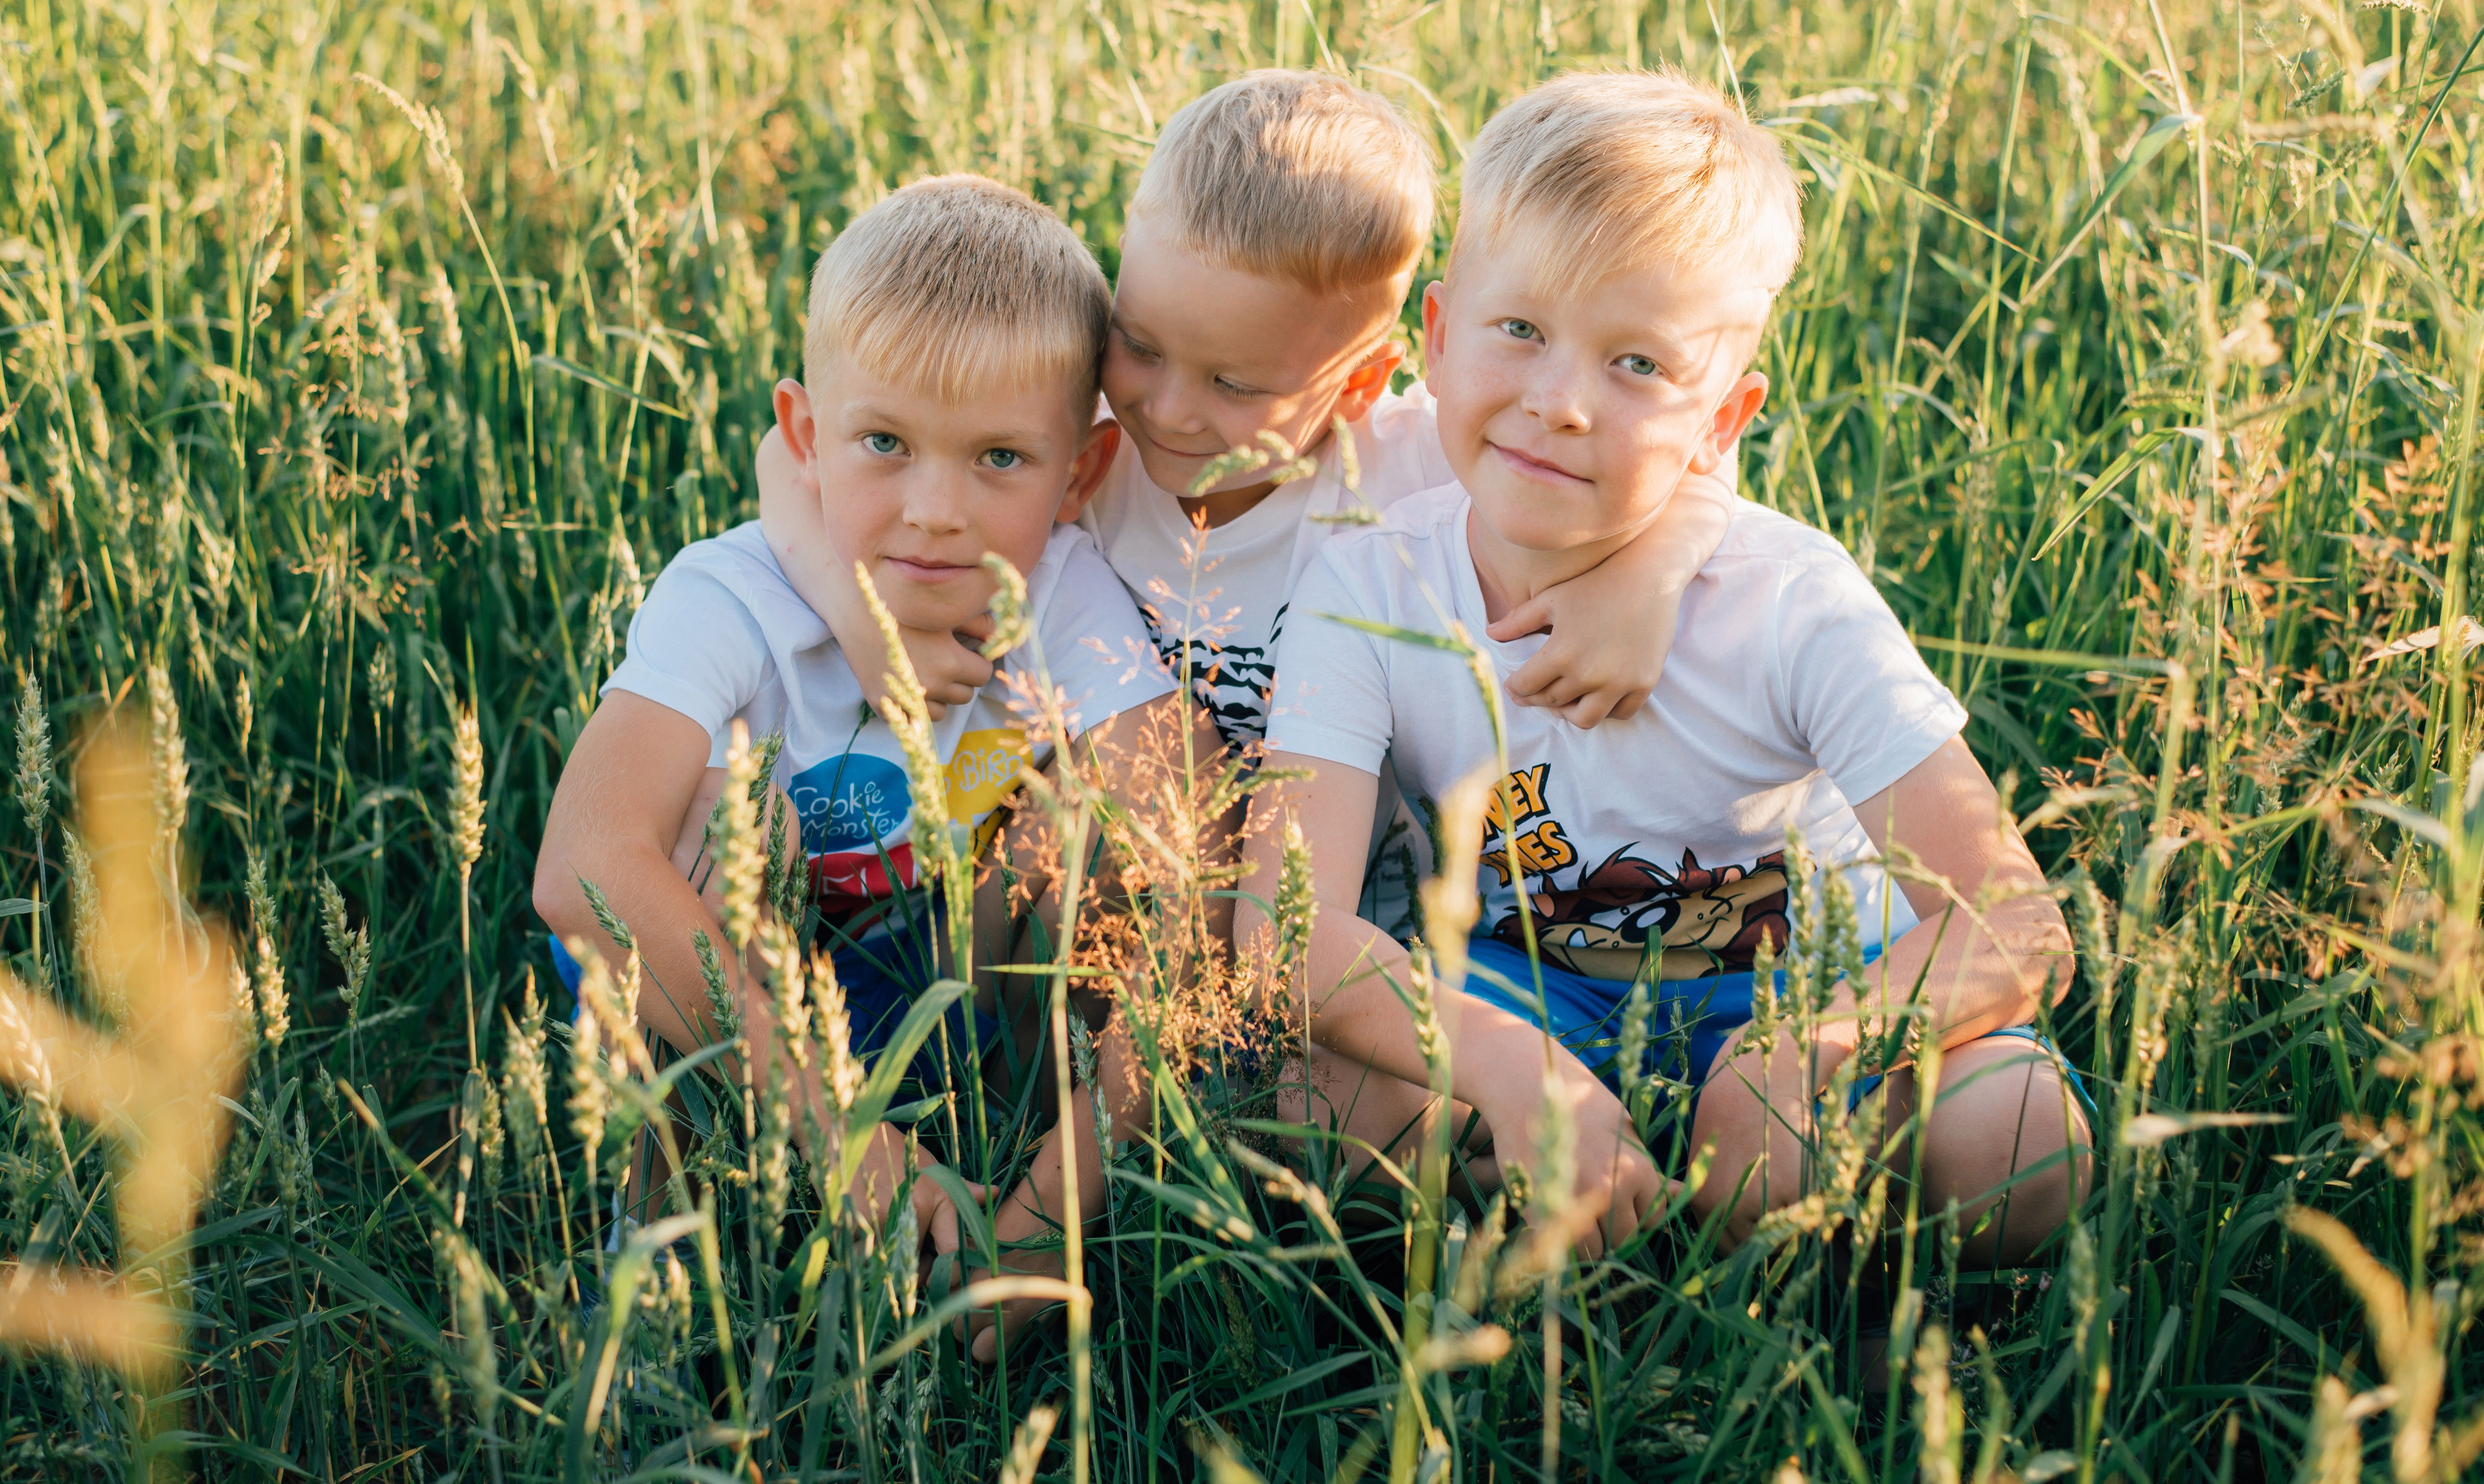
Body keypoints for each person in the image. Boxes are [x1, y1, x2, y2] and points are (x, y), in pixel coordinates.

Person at [755, 69, 1739, 1168]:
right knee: (1073, 817)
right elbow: (790, 456)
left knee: (1334, 1137)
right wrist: (853, 608)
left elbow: (1681, 452)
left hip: (1324, 941)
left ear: (1362, 380)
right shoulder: (1075, 451)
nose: (1168, 407)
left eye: (1235, 384)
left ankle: (1559, 1159)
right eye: (1140, 344)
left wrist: (1652, 568)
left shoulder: (1409, 460)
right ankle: (1027, 1121)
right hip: (1101, 922)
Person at [1241, 68, 2091, 1264]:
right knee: (1325, 1106)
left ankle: (1811, 1290)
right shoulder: (1369, 581)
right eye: (1520, 330)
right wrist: (1505, 1062)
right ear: (1435, 336)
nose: (1561, 402)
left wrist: (1814, 1046)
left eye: (1636, 364)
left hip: (1810, 984)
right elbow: (1283, 930)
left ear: (1721, 422)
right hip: (1535, 983)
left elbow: (2013, 917)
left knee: (2014, 1132)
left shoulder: (1788, 599)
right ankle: (1588, 1226)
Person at [533, 174, 1188, 1356]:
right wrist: (853, 1135)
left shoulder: (1071, 590)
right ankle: (662, 1282)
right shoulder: (730, 594)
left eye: (998, 457)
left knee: (1114, 831)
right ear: (805, 435)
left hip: (952, 990)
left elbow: (1187, 878)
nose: (935, 510)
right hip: (740, 994)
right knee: (678, 839)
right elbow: (581, 863)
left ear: (1079, 472)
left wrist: (1059, 1206)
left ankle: (1007, 1179)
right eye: (883, 443)